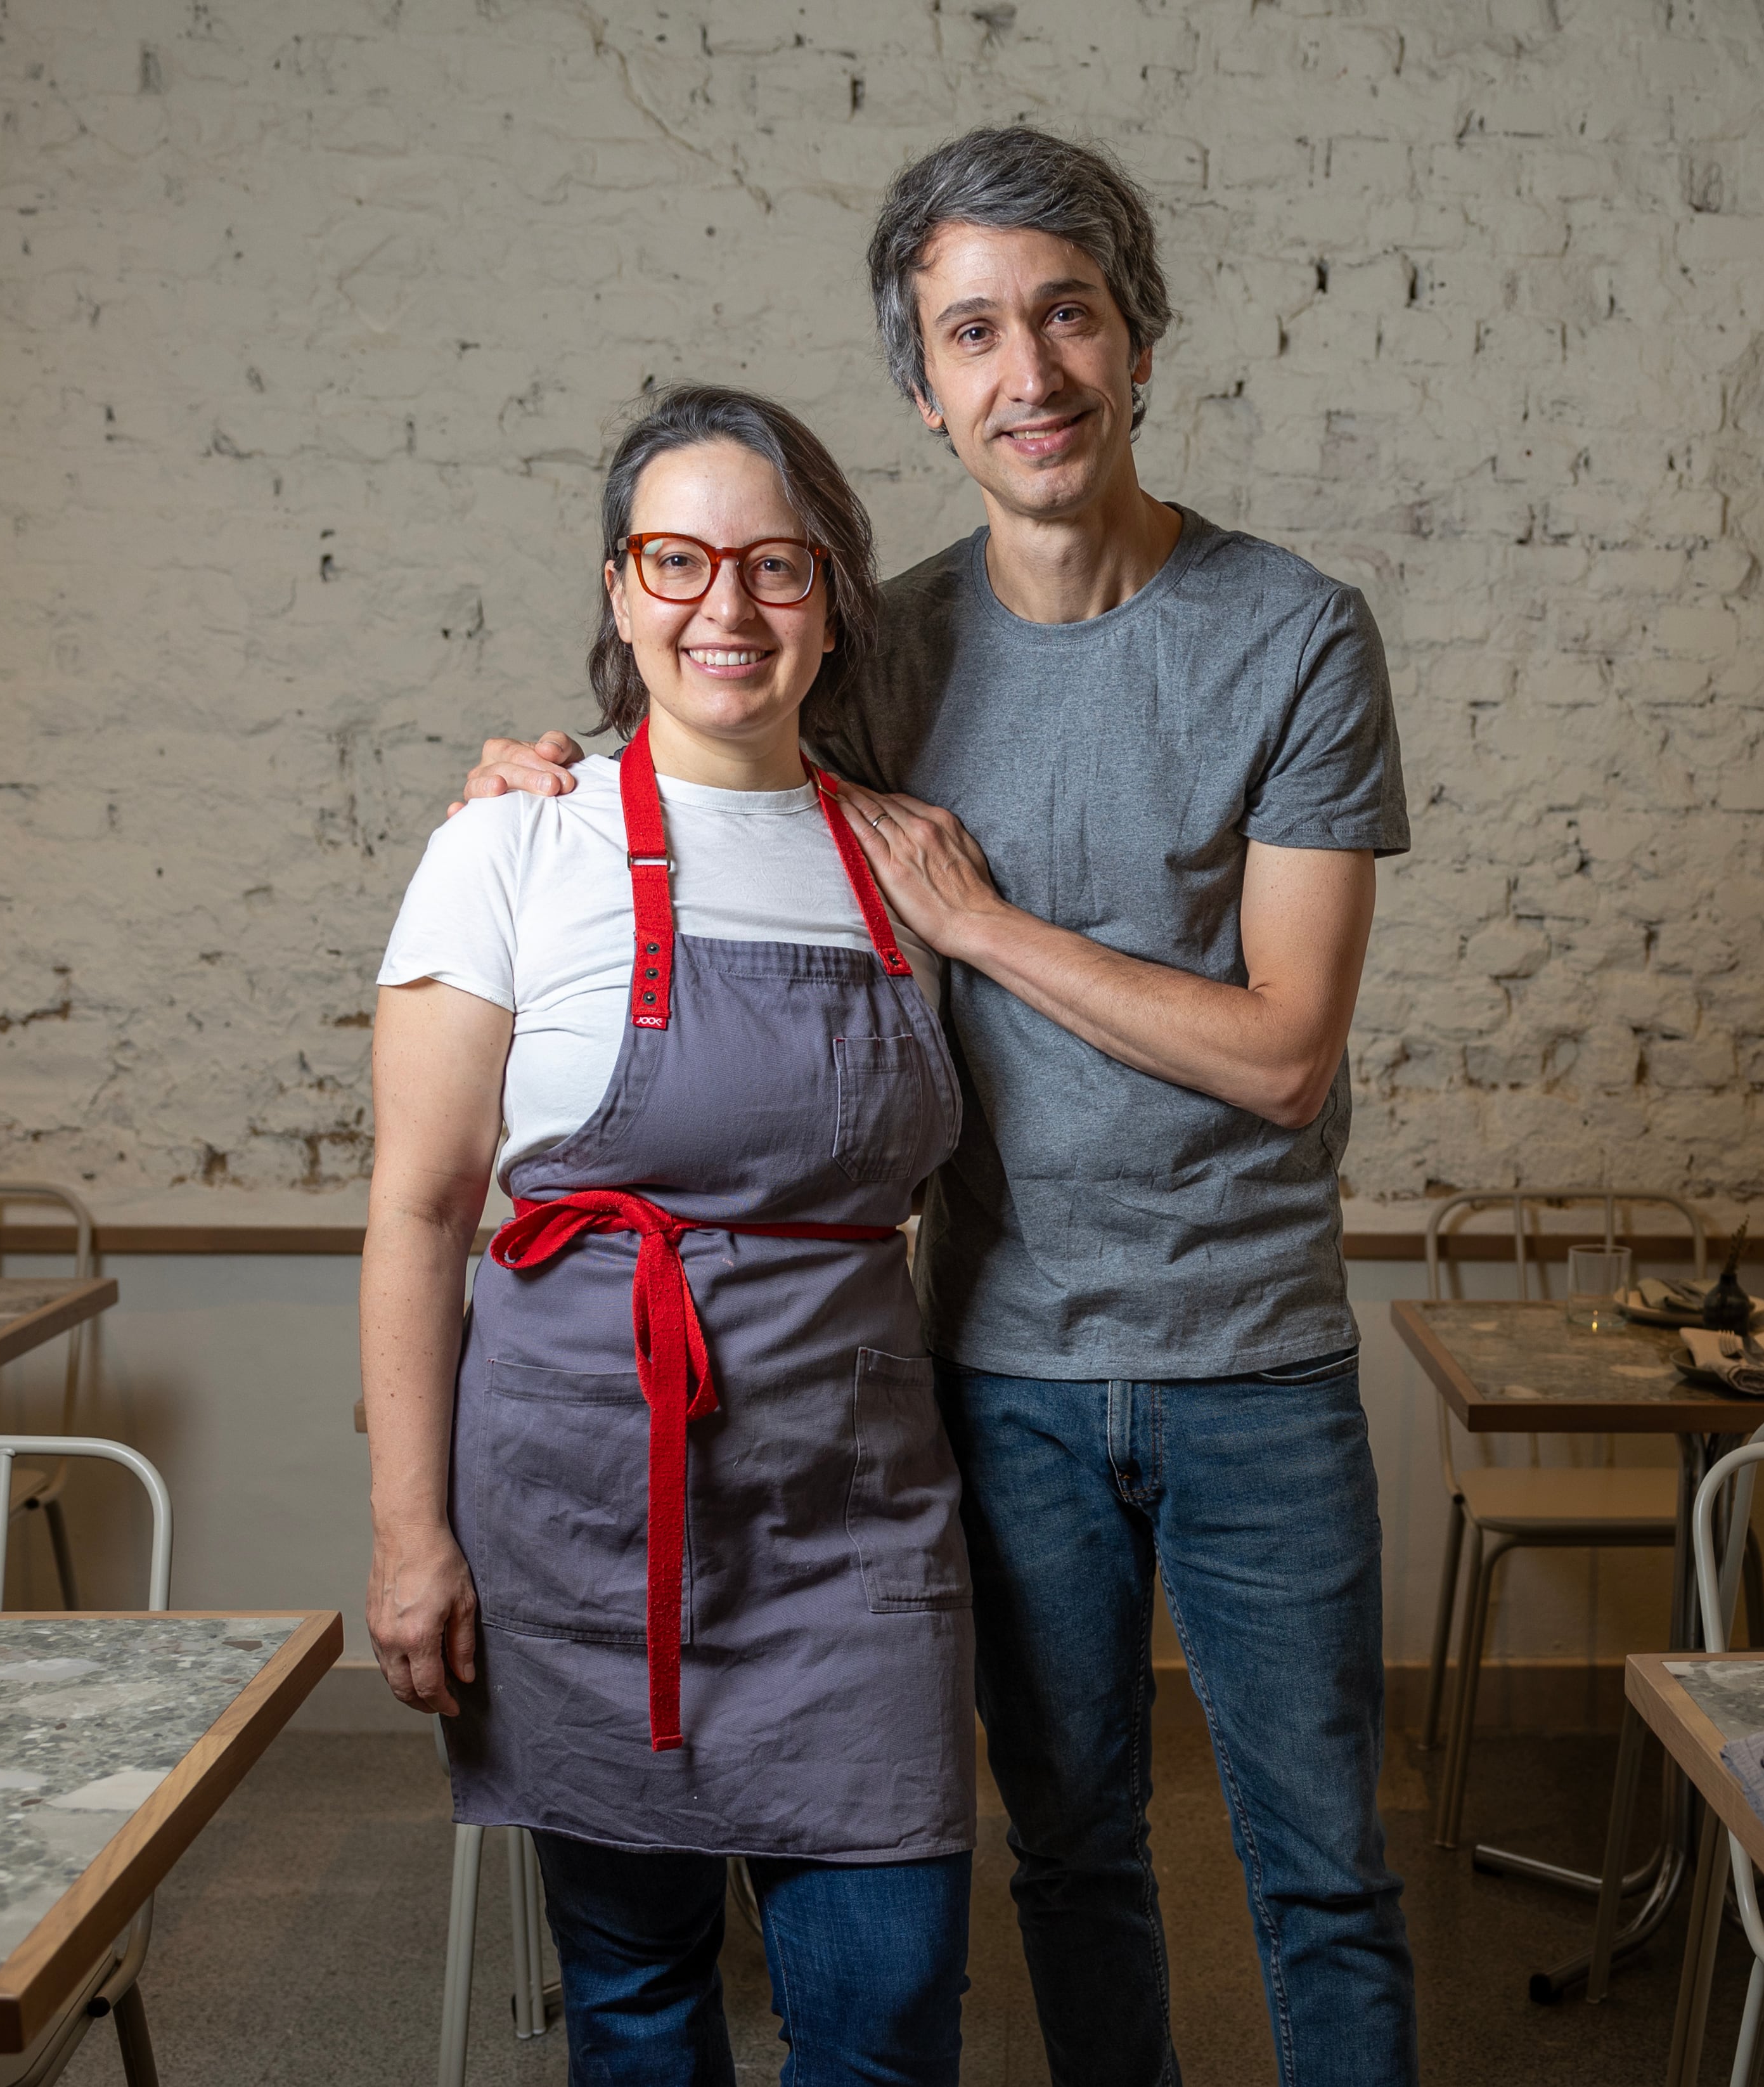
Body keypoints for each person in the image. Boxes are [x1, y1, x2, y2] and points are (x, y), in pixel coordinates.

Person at [459, 130, 1416, 2086]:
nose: (1029, 372)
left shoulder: (1294, 634)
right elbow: (706, 755)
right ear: (923, 390)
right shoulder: (877, 646)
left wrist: (981, 921)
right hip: (986, 1365)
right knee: (1067, 1855)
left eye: (1066, 313)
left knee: (1321, 1874)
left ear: (1135, 341)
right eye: (972, 332)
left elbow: (1280, 1050)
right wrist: (542, 774)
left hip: (1256, 1362)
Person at [364, 384, 975, 2086]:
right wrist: (412, 1536)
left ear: (832, 596)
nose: (727, 606)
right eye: (677, 560)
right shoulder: (509, 844)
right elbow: (418, 1211)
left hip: (852, 1519)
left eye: (775, 565)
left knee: (889, 2011)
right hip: (581, 1506)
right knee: (636, 2000)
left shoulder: (909, 862)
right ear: (621, 589)